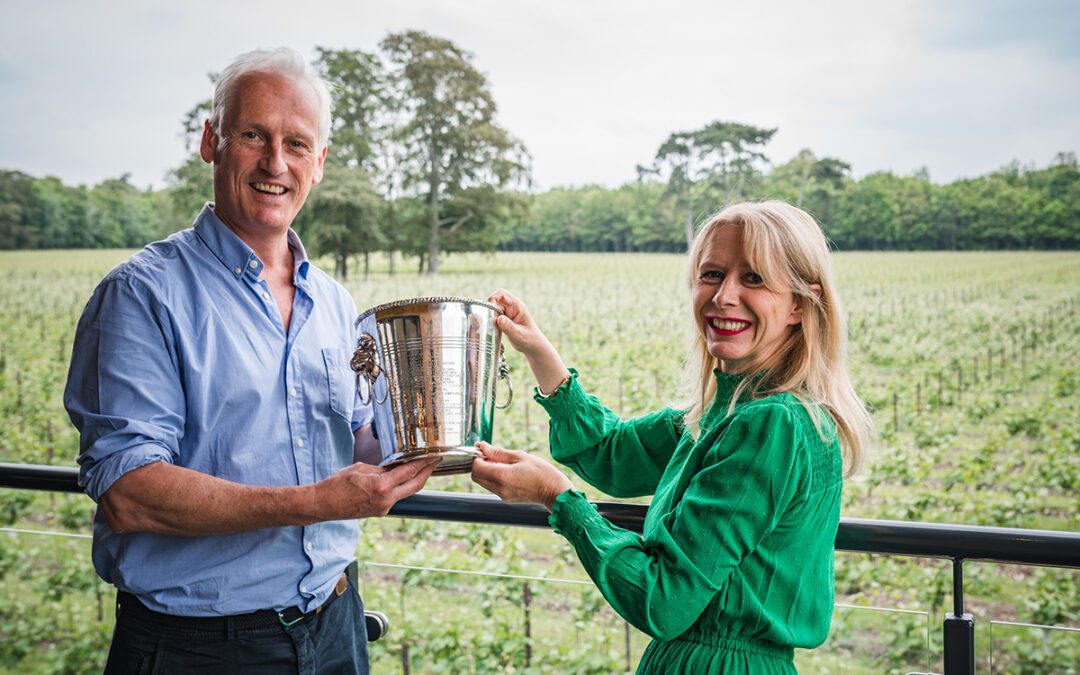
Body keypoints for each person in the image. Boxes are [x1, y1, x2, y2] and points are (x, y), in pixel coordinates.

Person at [64, 48, 439, 674]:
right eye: (253, 136)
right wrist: (318, 500)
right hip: (199, 648)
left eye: (297, 144)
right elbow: (129, 494)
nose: (275, 163)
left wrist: (431, 439)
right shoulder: (140, 295)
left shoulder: (334, 302)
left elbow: (354, 440)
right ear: (212, 141)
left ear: (317, 164)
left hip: (336, 621)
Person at [472, 200, 872, 674]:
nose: (724, 296)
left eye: (754, 279)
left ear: (801, 307)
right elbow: (612, 453)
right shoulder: (723, 412)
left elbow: (664, 600)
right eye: (712, 275)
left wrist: (558, 498)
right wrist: (538, 350)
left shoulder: (772, 425)